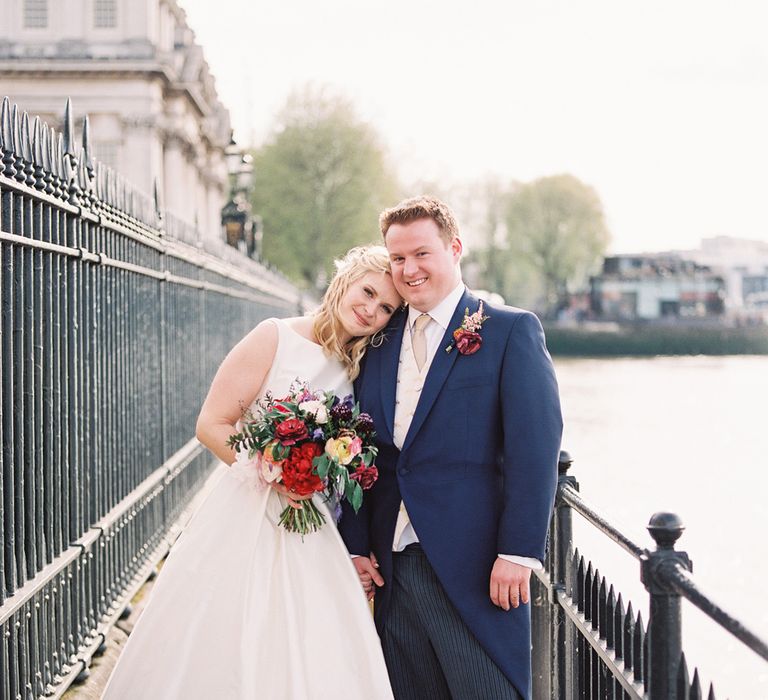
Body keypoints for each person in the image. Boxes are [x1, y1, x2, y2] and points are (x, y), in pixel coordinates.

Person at [102, 246, 401, 700]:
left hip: (312, 523)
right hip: (249, 510)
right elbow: (211, 425)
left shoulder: (357, 365)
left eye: (386, 308)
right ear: (345, 279)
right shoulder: (274, 336)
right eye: (368, 292)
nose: (371, 310)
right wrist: (274, 471)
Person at [338, 196, 563, 700]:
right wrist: (356, 545)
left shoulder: (509, 331)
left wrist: (519, 551)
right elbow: (358, 450)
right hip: (393, 568)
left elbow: (536, 449)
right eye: (397, 259)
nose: (409, 270)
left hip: (476, 567)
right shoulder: (377, 339)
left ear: (454, 248)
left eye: (422, 254)